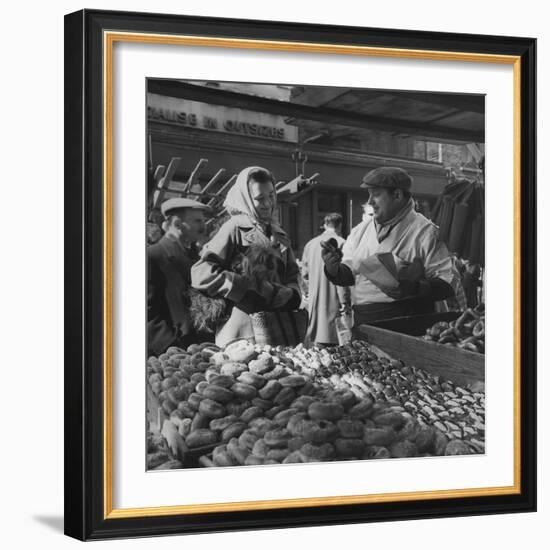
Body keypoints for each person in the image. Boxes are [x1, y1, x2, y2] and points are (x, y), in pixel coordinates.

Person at [322, 167, 461, 328]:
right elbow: (349, 275)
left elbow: (449, 282)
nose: (370, 202)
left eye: (376, 194)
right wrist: (333, 268)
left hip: (408, 322)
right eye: (369, 194)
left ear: (397, 195)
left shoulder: (426, 232)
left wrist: (416, 287)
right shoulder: (360, 231)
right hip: (364, 321)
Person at [191, 166, 301, 346]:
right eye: (259, 198)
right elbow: (201, 272)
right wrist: (243, 288)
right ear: (246, 199)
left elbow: (292, 276)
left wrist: (290, 293)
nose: (267, 204)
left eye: (271, 195)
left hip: (276, 330)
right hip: (242, 333)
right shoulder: (234, 228)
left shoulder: (279, 234)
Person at [147, 197, 210, 355]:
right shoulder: (153, 255)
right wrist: (171, 347)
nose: (203, 226)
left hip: (201, 348)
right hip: (173, 353)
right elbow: (147, 312)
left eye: (203, 221)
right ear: (176, 223)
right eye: (197, 221)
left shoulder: (197, 256)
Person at [302, 213, 350, 346]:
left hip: (315, 305)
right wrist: (345, 302)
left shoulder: (310, 244)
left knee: (318, 351)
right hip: (334, 304)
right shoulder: (342, 243)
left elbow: (304, 275)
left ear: (324, 225)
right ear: (340, 226)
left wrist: (308, 294)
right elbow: (344, 278)